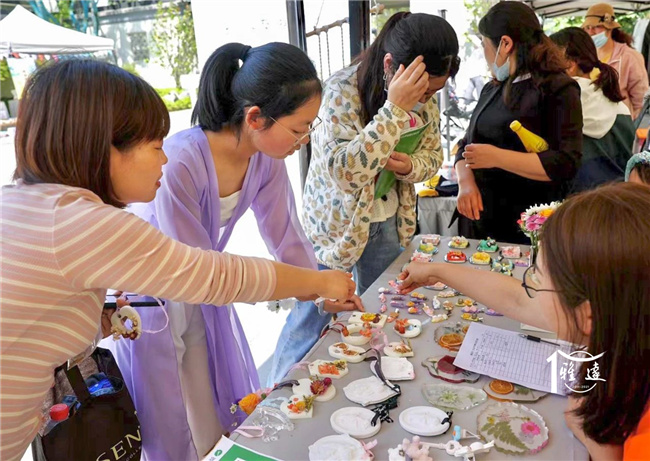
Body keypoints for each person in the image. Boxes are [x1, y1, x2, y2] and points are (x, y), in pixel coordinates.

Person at [0, 59, 355, 461]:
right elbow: (214, 276)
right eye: (156, 146)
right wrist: (320, 282)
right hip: (164, 311)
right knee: (171, 412)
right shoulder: (82, 221)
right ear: (105, 147)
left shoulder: (30, 204)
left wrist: (95, 316)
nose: (164, 160)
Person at [111, 42, 363, 460]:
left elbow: (287, 235)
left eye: (309, 128)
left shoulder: (264, 158)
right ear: (255, 118)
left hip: (202, 285)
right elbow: (196, 269)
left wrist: (321, 293)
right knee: (168, 416)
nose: (304, 140)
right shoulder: (181, 161)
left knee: (209, 409)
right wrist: (315, 284)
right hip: (155, 296)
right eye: (298, 128)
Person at [399, 182, 650, 461]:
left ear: (587, 315)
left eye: (537, 280)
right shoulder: (628, 323)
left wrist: (599, 444)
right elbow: (519, 300)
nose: (529, 285)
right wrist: (436, 271)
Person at [301, 12, 459, 293]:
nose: (425, 99)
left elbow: (434, 156)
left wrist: (409, 166)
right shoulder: (341, 90)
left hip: (386, 218)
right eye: (420, 90)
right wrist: (395, 109)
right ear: (389, 65)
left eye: (432, 92)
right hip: (334, 224)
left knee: (382, 302)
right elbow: (345, 174)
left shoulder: (427, 98)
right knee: (316, 308)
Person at [455, 1, 583, 244]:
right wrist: (465, 182)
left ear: (505, 44)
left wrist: (497, 157)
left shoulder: (558, 88)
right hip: (480, 221)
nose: (484, 54)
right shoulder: (492, 88)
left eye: (484, 44)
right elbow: (465, 145)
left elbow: (565, 163)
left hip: (526, 224)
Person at [551, 27, 634, 192]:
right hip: (621, 199)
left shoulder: (557, 107)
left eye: (548, 61)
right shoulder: (620, 107)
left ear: (570, 65)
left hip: (577, 203)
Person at [582, 3, 649, 119]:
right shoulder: (586, 54)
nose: (591, 31)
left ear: (610, 28)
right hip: (593, 121)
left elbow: (640, 99)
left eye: (596, 26)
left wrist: (631, 124)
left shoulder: (629, 56)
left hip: (619, 123)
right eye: (588, 27)